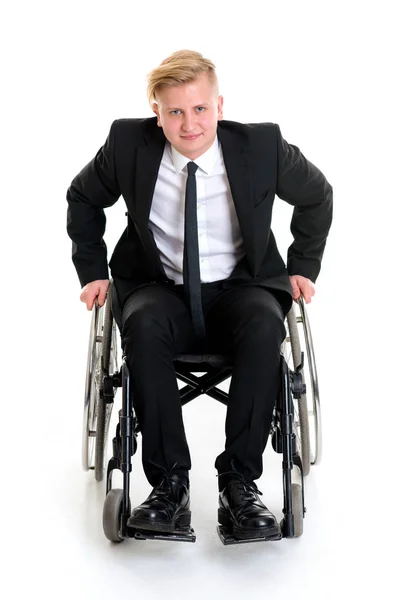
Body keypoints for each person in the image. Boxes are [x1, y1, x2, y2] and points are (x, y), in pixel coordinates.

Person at [66, 49, 333, 540]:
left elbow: (317, 195)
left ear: (219, 107)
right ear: (157, 113)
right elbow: (82, 197)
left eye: (200, 109)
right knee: (142, 325)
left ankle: (239, 484)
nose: (190, 124)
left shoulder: (262, 145)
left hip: (240, 287)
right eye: (175, 112)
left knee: (264, 325)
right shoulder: (127, 144)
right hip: (158, 287)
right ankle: (169, 486)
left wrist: (303, 268)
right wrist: (93, 271)